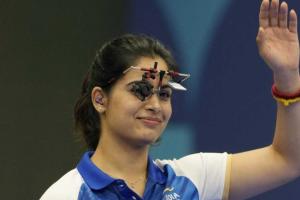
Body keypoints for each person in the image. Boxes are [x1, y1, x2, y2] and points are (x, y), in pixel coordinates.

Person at [40, 0, 300, 199]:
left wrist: (286, 74)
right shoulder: (65, 194)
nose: (154, 104)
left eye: (164, 93)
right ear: (100, 99)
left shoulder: (194, 178)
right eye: (140, 90)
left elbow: (288, 159)